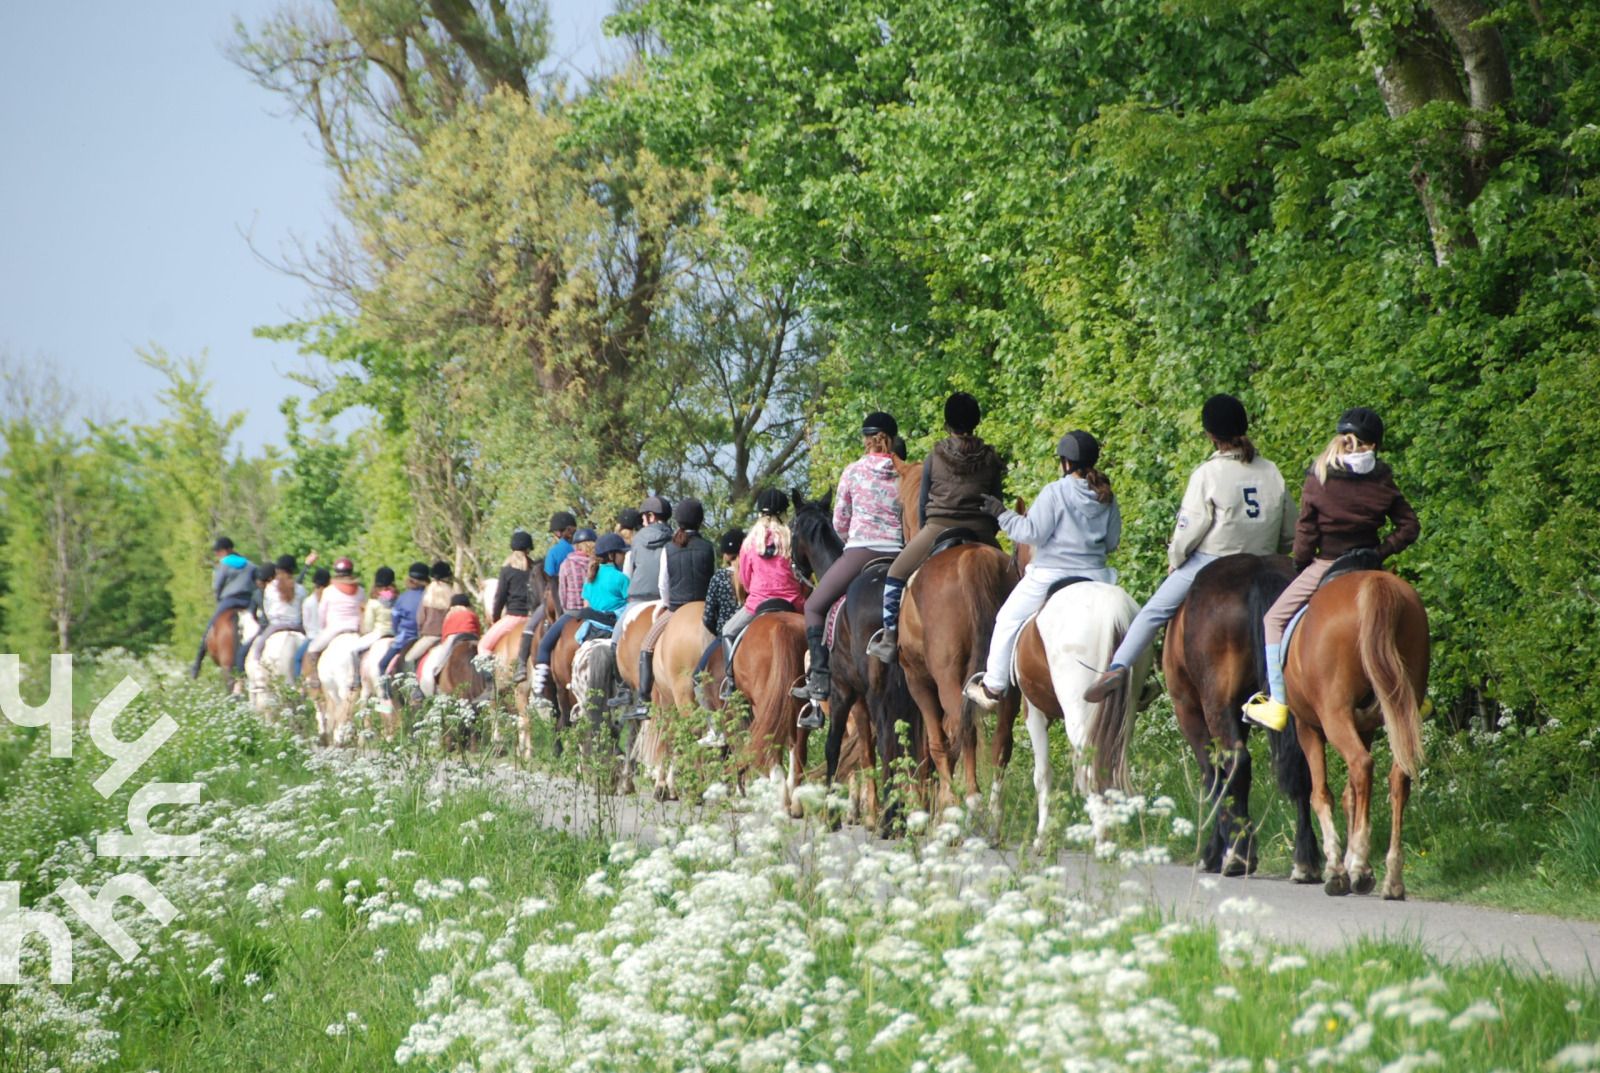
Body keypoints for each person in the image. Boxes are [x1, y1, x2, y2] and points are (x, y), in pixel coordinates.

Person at [1082, 394, 1295, 702]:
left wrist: (1176, 559)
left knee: (1153, 611)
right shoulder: (1271, 471)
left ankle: (1117, 668)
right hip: (1267, 560)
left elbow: (1189, 531)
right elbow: (1290, 532)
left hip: (1213, 560)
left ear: (1210, 435)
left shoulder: (1207, 474)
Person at [1242, 407, 1420, 731]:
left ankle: (1278, 703)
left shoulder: (1320, 475)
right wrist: (1380, 550)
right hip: (1370, 565)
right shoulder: (1382, 477)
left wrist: (1300, 563)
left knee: (1274, 619)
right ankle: (1416, 696)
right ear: (1375, 445)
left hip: (1328, 563)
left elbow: (1306, 532)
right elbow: (1409, 526)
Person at [965, 430, 1121, 710]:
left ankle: (993, 687)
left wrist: (1002, 513)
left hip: (1052, 574)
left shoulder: (1055, 491)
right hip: (1097, 576)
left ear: (1066, 462)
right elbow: (1111, 543)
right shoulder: (1106, 495)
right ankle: (1142, 678)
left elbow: (1031, 533)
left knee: (1007, 620)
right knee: (1126, 620)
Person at [868, 392, 1006, 663]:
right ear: (976, 422)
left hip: (938, 528)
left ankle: (889, 637)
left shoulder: (935, 455)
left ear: (948, 423)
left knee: (895, 573)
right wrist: (988, 532)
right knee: (1018, 575)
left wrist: (925, 530)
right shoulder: (990, 458)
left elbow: (921, 505)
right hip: (981, 532)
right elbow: (997, 503)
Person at [793, 412, 906, 719]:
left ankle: (818, 678)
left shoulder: (853, 471)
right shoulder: (905, 471)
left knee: (815, 606)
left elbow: (839, 521)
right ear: (892, 439)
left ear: (866, 439)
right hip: (899, 555)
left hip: (860, 552)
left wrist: (850, 540)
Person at [629, 498, 717, 719]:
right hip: (706, 609)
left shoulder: (670, 548)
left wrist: (669, 604)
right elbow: (713, 580)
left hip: (676, 609)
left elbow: (662, 585)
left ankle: (643, 698)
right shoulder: (708, 547)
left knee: (647, 645)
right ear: (701, 521)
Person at [529, 532, 631, 695]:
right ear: (612, 555)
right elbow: (630, 604)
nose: (624, 557)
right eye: (622, 553)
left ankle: (539, 676)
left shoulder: (591, 577)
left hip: (590, 623)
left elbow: (585, 605)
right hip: (614, 624)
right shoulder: (622, 578)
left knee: (543, 638)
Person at [515, 528, 596, 683]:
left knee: (543, 642)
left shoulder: (564, 562)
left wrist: (563, 611)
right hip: (593, 612)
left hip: (571, 612)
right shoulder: (596, 563)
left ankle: (538, 677)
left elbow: (561, 592)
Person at [191, 536, 257, 678]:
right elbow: (257, 584)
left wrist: (218, 600)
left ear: (226, 550)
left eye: (218, 551)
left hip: (229, 601)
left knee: (209, 628)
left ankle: (197, 664)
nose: (217, 554)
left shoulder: (223, 565)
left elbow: (217, 586)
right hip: (248, 601)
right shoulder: (250, 564)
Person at [302, 558, 365, 690]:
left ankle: (314, 678)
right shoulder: (360, 590)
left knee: (312, 650)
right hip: (356, 630)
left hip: (335, 629)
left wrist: (323, 628)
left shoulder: (329, 591)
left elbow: (322, 616)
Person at [376, 562, 429, 708]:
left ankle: (386, 696)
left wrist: (397, 633)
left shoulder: (402, 598)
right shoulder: (429, 595)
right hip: (425, 637)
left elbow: (395, 621)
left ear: (410, 579)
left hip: (404, 638)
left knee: (382, 664)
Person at [480, 530, 536, 656]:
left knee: (483, 646)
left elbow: (500, 597)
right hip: (533, 618)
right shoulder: (535, 570)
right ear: (529, 549)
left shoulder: (507, 570)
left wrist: (496, 618)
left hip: (513, 618)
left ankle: (488, 676)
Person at [248, 554, 307, 667]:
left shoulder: (270, 588)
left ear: (277, 570)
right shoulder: (300, 589)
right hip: (297, 627)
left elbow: (268, 610)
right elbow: (303, 611)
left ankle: (256, 670)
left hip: (276, 626)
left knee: (257, 651)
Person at [702, 527, 746, 637]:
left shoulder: (718, 578)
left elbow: (708, 618)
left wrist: (718, 633)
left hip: (726, 636)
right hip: (751, 632)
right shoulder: (752, 575)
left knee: (706, 655)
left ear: (725, 555)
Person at [292, 566, 331, 681]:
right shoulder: (331, 598)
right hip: (328, 636)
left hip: (313, 637)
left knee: (298, 658)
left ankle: (299, 684)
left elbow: (306, 624)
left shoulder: (308, 602)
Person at [353, 566, 398, 660]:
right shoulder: (398, 600)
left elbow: (368, 627)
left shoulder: (373, 602)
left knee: (353, 650)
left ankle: (356, 674)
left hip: (379, 633)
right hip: (396, 635)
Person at [545, 511, 579, 607]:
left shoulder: (553, 552)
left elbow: (549, 575)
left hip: (563, 600)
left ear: (558, 533)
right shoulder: (585, 548)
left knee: (541, 611)